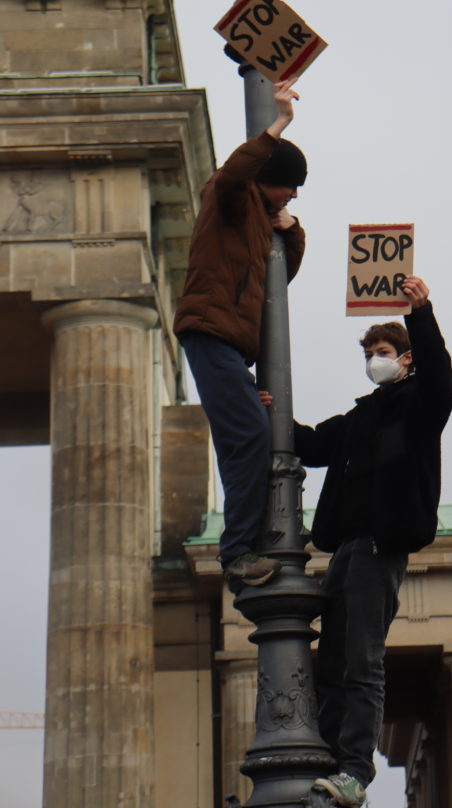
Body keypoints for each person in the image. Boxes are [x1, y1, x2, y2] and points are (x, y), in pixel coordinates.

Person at [292, 277, 452, 807]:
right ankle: (332, 760)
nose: (374, 360)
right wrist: (262, 405)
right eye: (369, 353)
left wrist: (421, 312)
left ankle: (354, 773)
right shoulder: (363, 416)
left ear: (406, 359)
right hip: (346, 550)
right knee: (334, 664)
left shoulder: (419, 406)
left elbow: (441, 380)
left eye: (383, 352)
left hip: (380, 549)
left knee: (360, 662)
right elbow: (313, 444)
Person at [174, 77, 306, 590]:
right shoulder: (229, 196)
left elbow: (281, 279)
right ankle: (238, 556)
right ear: (268, 176)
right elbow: (234, 173)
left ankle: (246, 544)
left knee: (252, 427)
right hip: (211, 333)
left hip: (229, 345)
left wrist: (291, 229)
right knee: (249, 437)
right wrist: (278, 124)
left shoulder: (260, 221)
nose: (294, 194)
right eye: (291, 183)